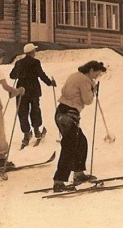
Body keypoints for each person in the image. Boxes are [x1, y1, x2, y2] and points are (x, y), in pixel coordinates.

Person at [51, 60, 106, 192]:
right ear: (91, 70)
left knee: (80, 142)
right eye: (96, 74)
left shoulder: (74, 75)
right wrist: (93, 89)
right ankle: (59, 181)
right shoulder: (85, 80)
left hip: (61, 113)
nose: (96, 77)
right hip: (69, 115)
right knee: (69, 147)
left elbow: (64, 90)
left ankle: (79, 173)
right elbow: (88, 100)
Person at [9, 43, 56, 148]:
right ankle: (36, 130)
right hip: (34, 91)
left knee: (22, 112)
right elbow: (41, 75)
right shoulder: (35, 62)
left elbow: (12, 76)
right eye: (35, 51)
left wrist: (19, 74)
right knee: (35, 110)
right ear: (32, 52)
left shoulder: (19, 63)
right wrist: (50, 83)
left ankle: (26, 133)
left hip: (21, 91)